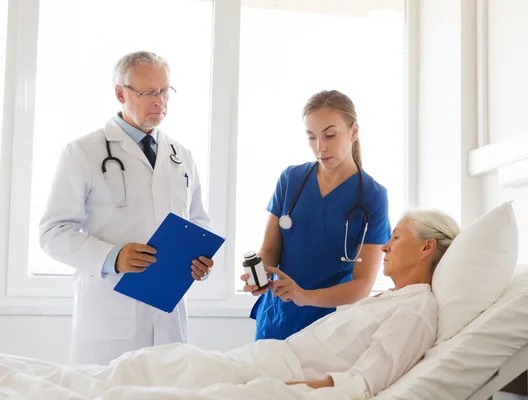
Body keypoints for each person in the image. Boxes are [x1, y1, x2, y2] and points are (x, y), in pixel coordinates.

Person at [4, 210, 459, 400]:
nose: (383, 247)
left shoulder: (416, 309)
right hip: (255, 361)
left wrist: (289, 388)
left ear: (426, 249)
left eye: (395, 238)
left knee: (134, 382)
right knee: (135, 369)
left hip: (269, 375)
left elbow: (362, 383)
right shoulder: (392, 299)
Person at [39, 51, 215, 365]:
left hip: (167, 314)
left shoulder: (181, 155)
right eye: (148, 93)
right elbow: (53, 232)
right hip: (110, 310)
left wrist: (200, 259)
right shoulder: (83, 152)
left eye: (164, 91)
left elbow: (197, 222)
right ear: (121, 93)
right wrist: (113, 257)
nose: (159, 101)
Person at [242, 90, 392, 340]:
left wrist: (304, 296)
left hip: (330, 327)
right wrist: (260, 274)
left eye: (330, 135)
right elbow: (269, 249)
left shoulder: (373, 196)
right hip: (278, 319)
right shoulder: (291, 179)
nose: (319, 147)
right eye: (311, 137)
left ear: (354, 132)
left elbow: (362, 285)